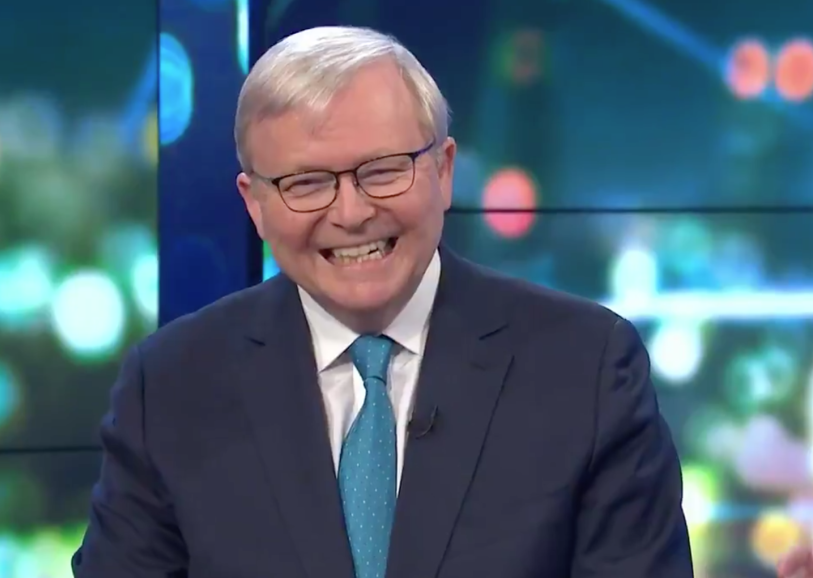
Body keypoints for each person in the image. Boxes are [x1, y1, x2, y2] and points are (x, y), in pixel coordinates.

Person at [71, 25, 693, 578]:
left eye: (384, 170)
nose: (352, 213)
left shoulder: (585, 368)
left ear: (444, 171)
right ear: (254, 204)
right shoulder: (173, 383)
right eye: (306, 183)